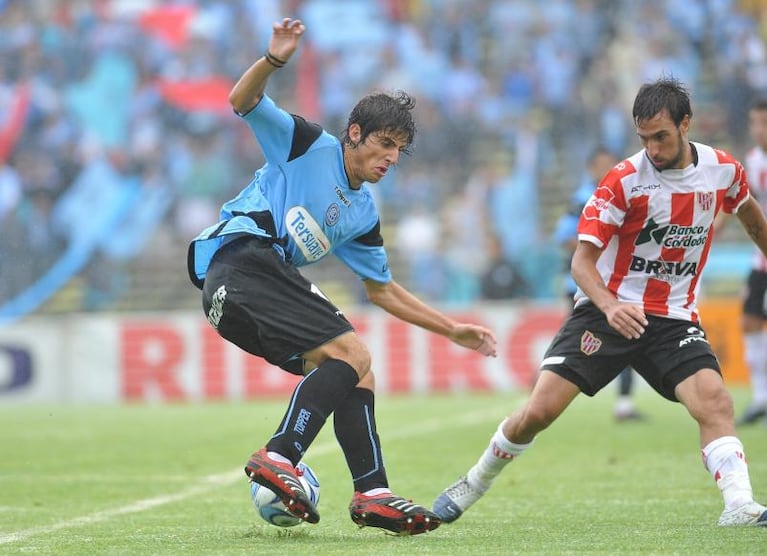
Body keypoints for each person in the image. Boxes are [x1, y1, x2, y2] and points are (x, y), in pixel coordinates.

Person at [186, 18, 497, 536]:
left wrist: (452, 329)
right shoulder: (310, 144)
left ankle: (372, 492)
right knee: (353, 353)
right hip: (241, 261)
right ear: (355, 134)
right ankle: (280, 454)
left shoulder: (362, 213)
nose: (391, 158)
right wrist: (274, 61)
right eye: (384, 144)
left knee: (357, 370)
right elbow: (242, 100)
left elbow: (382, 290)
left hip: (235, 299)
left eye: (399, 150)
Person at [432, 77, 767, 527]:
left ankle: (739, 504)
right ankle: (474, 481)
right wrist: (610, 306)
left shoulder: (722, 170)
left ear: (686, 124)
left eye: (661, 137)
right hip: (606, 311)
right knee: (539, 412)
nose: (652, 148)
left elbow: (752, 221)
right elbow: (581, 263)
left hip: (672, 315)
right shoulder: (623, 181)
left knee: (715, 402)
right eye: (644, 138)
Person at [553, 147, 646, 422]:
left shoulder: (627, 195)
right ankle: (552, 393)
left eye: (611, 165)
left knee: (628, 335)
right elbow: (564, 238)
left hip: (618, 285)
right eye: (601, 165)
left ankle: (624, 403)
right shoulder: (580, 200)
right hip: (581, 286)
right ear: (591, 168)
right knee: (574, 342)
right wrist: (595, 242)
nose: (606, 171)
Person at [737, 99, 767, 426]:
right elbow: (742, 204)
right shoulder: (753, 161)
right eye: (755, 122)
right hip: (762, 259)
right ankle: (761, 398)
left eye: (764, 123)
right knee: (749, 321)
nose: (758, 130)